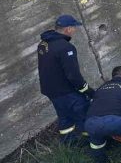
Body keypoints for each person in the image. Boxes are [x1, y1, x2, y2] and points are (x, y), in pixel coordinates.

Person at [37, 14, 94, 146]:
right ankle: (92, 142)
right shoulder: (66, 48)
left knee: (64, 117)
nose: (75, 30)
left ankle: (69, 144)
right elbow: (73, 76)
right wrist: (88, 91)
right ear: (68, 29)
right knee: (84, 113)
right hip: (66, 91)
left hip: (51, 90)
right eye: (74, 27)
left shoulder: (43, 43)